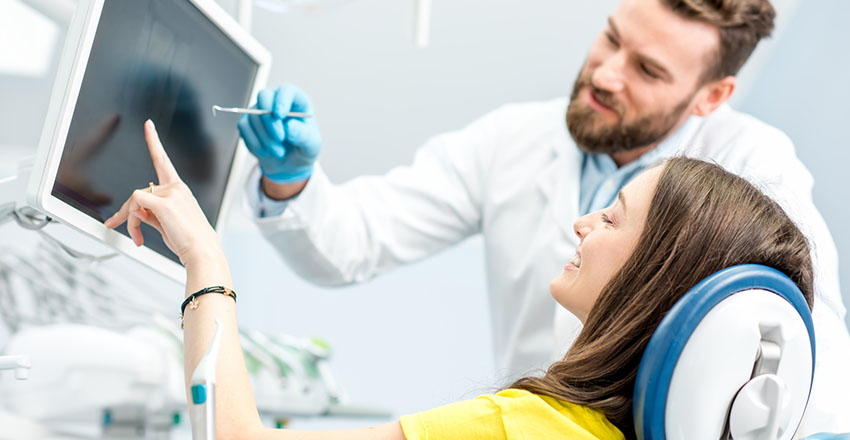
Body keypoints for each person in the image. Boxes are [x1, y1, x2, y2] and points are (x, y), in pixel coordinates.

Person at [236, 0, 850, 429]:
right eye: (612, 38)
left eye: (647, 70)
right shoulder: (512, 141)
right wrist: (290, 181)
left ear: (711, 97)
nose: (606, 74)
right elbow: (354, 241)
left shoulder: (753, 167)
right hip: (530, 422)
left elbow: (803, 352)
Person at [106, 121, 813, 439]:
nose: (581, 225)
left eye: (613, 216)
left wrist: (203, 257)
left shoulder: (520, 428)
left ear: (654, 278)